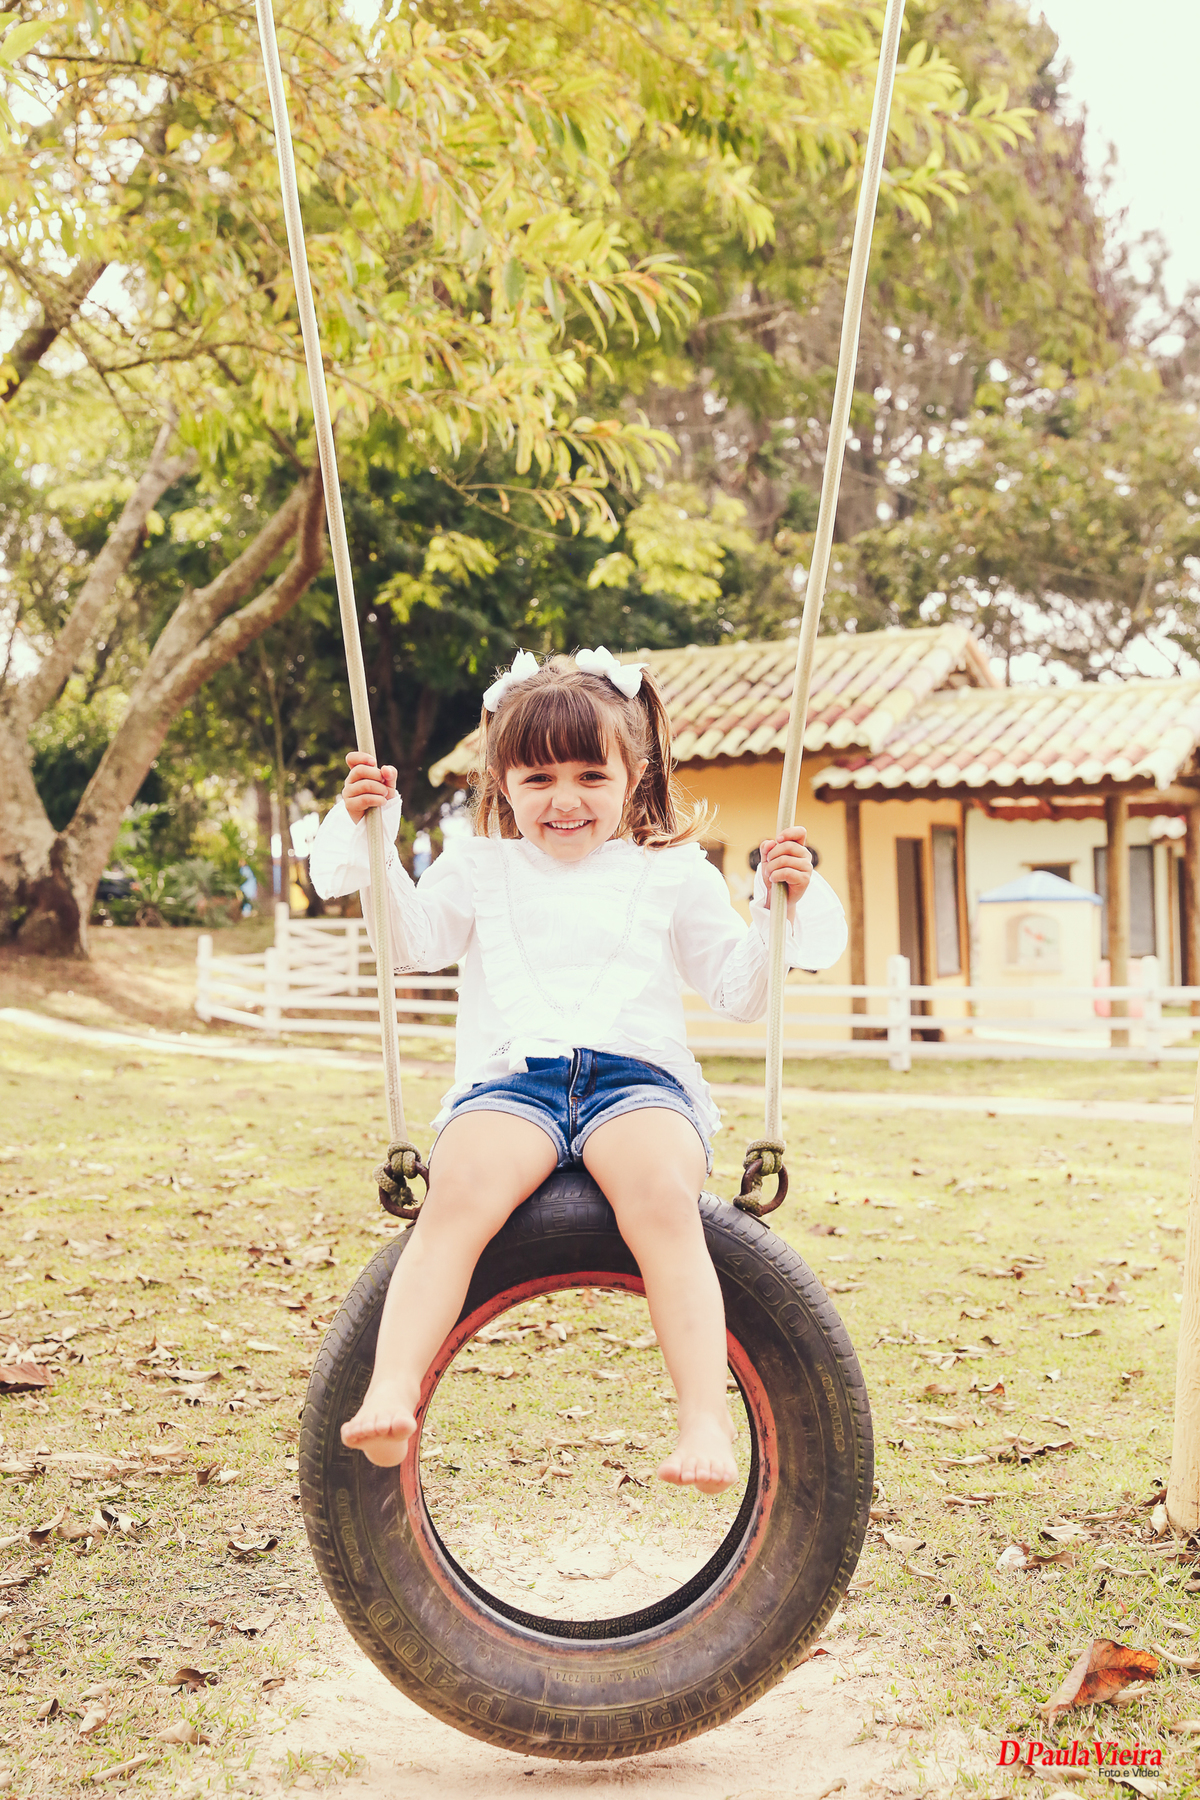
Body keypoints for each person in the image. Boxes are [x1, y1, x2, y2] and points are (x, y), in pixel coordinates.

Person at [309, 647, 846, 1494]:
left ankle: (704, 1416)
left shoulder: (672, 873)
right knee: (456, 1197)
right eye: (538, 777)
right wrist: (370, 841)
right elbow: (410, 946)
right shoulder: (479, 867)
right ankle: (390, 1389)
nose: (565, 799)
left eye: (591, 774)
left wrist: (785, 905)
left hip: (637, 1085)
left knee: (664, 1202)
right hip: (510, 1084)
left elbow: (739, 994)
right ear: (502, 783)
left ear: (634, 775)